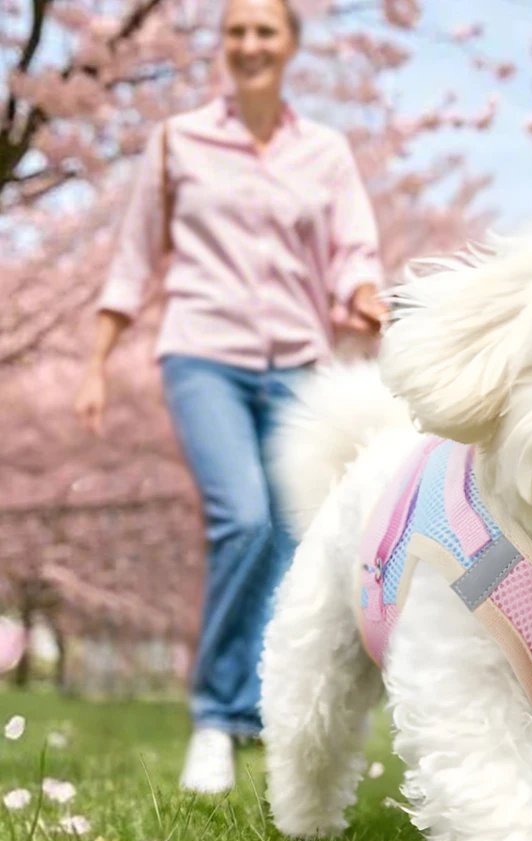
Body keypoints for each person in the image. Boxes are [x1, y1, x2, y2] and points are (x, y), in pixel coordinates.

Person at [75, 0, 386, 793]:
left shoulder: (325, 151)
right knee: (242, 517)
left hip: (296, 361)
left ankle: (262, 710)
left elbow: (354, 247)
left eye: (265, 31)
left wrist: (364, 295)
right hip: (202, 355)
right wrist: (98, 360)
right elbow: (136, 252)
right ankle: (215, 717)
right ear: (224, 46)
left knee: (292, 534)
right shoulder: (178, 140)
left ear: (289, 47)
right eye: (237, 31)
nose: (249, 44)